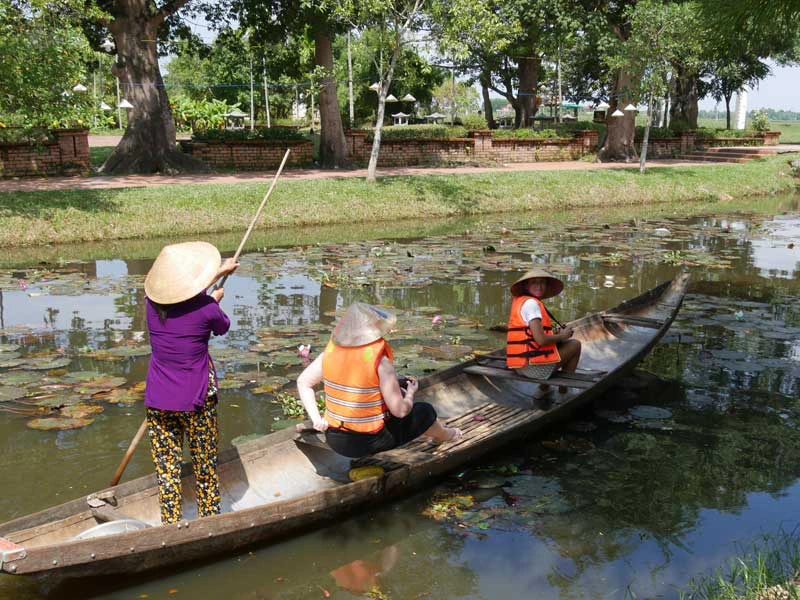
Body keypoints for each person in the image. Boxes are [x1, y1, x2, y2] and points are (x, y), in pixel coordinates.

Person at [143, 241, 239, 524]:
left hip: (159, 399)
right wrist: (215, 300)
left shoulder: (151, 306)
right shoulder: (207, 309)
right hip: (197, 400)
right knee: (204, 466)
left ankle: (170, 524)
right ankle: (209, 521)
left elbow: (180, 299)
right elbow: (222, 327)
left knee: (167, 469)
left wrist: (218, 273)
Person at [296, 302, 462, 458]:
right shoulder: (380, 362)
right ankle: (447, 435)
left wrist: (317, 419)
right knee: (425, 411)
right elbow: (400, 411)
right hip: (367, 443)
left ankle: (439, 434)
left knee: (397, 398)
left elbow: (303, 383)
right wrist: (410, 393)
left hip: (334, 438)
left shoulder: (329, 354)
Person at [506, 268, 581, 392]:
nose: (539, 286)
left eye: (542, 282)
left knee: (558, 345)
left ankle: (543, 390)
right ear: (526, 285)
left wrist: (556, 334)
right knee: (575, 344)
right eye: (534, 282)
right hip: (533, 369)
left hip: (519, 366)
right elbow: (540, 340)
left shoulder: (523, 301)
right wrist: (563, 336)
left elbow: (532, 336)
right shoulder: (532, 304)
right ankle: (563, 391)